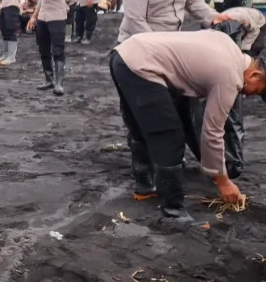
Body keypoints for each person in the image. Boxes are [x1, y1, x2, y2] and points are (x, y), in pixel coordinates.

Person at [110, 31, 265, 225]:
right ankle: (173, 212)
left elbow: (189, 121)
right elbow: (213, 132)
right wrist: (222, 181)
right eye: (257, 90)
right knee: (169, 136)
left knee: (143, 125)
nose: (250, 96)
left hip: (125, 55)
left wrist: (210, 166)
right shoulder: (229, 76)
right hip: (142, 65)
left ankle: (145, 187)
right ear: (255, 74)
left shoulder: (227, 46)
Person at [26, 0, 70, 95]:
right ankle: (49, 79)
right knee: (43, 49)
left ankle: (59, 83)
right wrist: (33, 16)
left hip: (56, 17)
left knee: (58, 50)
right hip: (43, 17)